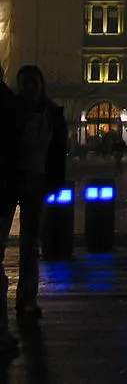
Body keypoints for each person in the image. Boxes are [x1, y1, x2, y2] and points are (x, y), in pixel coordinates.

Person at [0, 65, 68, 345]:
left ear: (41, 84)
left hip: (37, 182)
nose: (30, 87)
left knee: (31, 244)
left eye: (33, 82)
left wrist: (55, 182)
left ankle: (27, 297)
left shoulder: (52, 114)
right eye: (25, 83)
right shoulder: (11, 111)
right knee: (3, 240)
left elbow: (58, 152)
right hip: (11, 181)